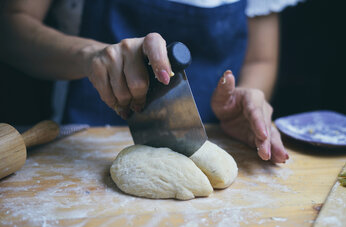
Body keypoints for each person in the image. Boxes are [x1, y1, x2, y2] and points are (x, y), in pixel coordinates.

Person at [0, 0, 302, 163]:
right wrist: (90, 55)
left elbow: (260, 60)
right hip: (82, 141)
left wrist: (245, 98)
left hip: (217, 137)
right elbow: (10, 26)